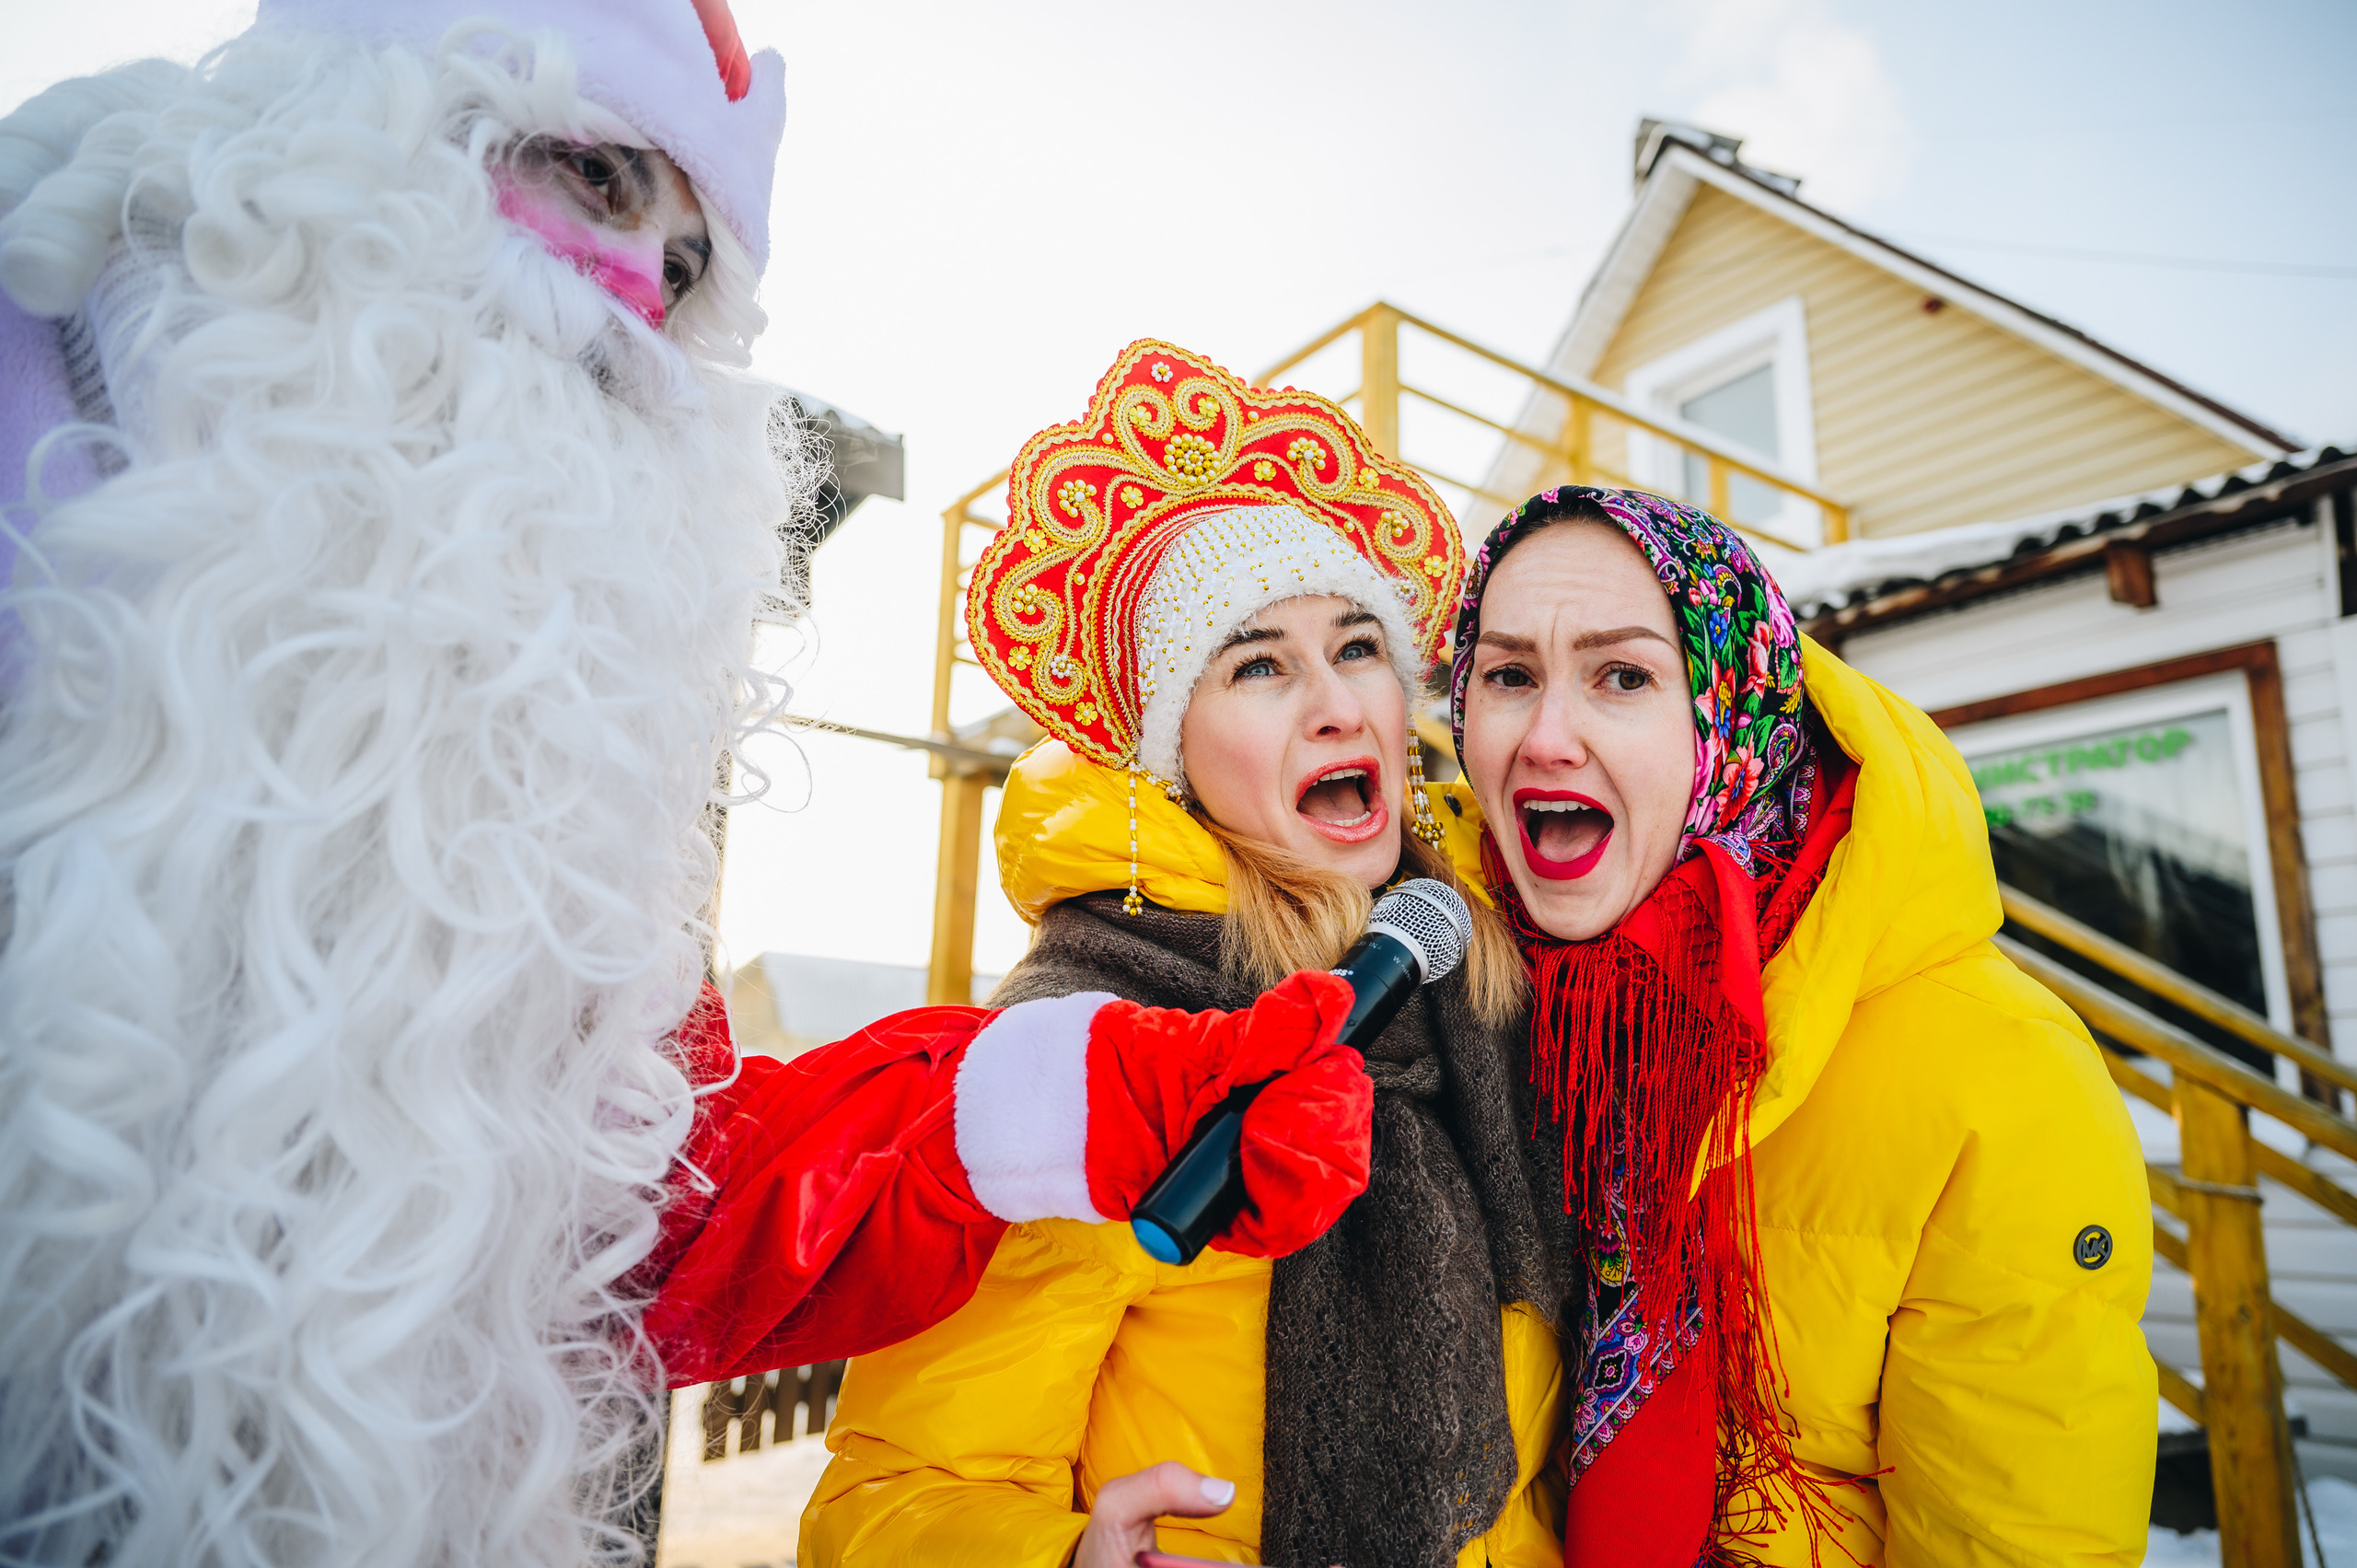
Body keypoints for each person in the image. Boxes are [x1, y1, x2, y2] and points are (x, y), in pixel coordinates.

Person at [0, 12, 1367, 1566]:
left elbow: (645, 1205)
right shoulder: (51, 400)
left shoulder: (517, 755)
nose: (638, 293)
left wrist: (1091, 1096)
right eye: (593, 175)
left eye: (692, 265)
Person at [800, 340, 1576, 1568]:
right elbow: (890, 1500)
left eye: (1358, 643)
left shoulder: (1486, 987)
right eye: (1259, 662)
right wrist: (1070, 1558)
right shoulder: (1086, 1056)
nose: (1337, 701)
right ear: (1173, 759)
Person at [1447, 486, 2156, 1565]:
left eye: (1623, 676)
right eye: (1507, 676)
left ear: (1735, 716)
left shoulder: (2001, 1072)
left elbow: (2013, 1531)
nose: (1546, 735)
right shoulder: (1441, 986)